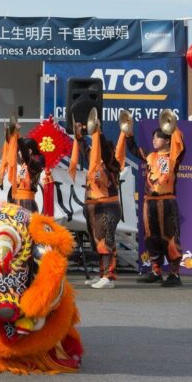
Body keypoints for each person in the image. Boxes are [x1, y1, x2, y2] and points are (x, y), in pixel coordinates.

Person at [126, 118, 186, 287]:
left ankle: (175, 274)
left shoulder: (174, 156)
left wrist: (173, 128)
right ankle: (156, 271)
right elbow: (132, 149)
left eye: (157, 137)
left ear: (167, 140)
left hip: (167, 201)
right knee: (151, 236)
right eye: (153, 137)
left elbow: (182, 146)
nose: (154, 140)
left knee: (170, 236)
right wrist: (128, 132)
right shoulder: (150, 156)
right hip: (149, 202)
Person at [71, 112, 127, 289]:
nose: (96, 152)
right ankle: (102, 274)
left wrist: (98, 133)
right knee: (97, 242)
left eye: (101, 149)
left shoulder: (112, 165)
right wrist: (79, 135)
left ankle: (109, 276)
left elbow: (101, 147)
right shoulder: (94, 161)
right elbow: (84, 148)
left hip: (107, 206)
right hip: (93, 206)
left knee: (106, 241)